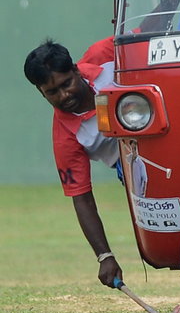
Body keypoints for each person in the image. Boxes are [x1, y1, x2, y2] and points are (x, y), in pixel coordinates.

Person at [24, 37, 124, 287]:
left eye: (66, 83)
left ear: (76, 70)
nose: (64, 95)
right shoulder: (65, 138)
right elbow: (82, 198)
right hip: (135, 172)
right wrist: (105, 256)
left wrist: (166, 2)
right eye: (52, 92)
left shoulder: (104, 55)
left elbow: (145, 33)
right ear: (41, 92)